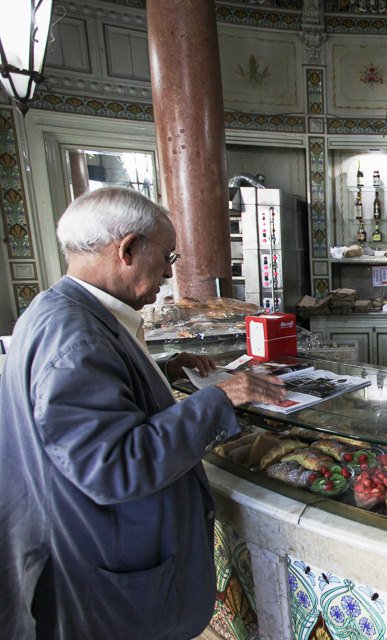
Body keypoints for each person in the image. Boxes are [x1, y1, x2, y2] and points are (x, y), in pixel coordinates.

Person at [0, 187, 287, 639]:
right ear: (128, 249)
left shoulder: (58, 308)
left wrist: (159, 369)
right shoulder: (77, 339)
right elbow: (114, 465)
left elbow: (91, 407)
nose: (169, 275)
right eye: (167, 257)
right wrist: (221, 398)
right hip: (104, 569)